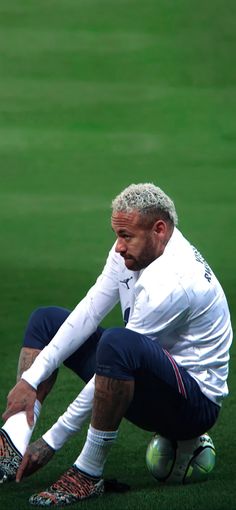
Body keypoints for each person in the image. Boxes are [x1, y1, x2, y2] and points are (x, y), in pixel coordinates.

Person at [0, 183, 232, 506]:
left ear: (159, 230)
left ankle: (88, 473)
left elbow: (115, 359)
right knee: (46, 321)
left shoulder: (173, 282)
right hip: (152, 377)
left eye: (126, 236)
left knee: (117, 342)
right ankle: (11, 441)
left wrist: (52, 441)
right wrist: (30, 378)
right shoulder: (132, 252)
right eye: (117, 235)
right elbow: (90, 309)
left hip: (192, 405)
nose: (119, 247)